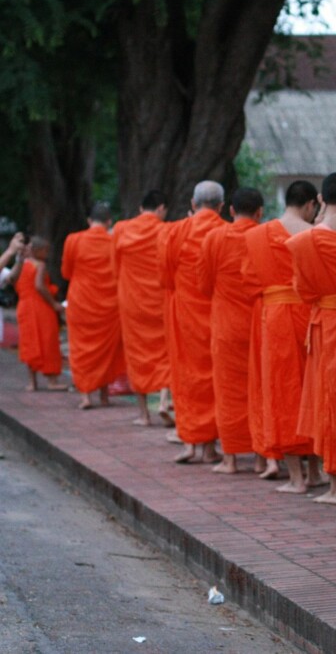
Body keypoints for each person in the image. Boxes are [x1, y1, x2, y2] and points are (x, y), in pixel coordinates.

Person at [287, 172, 336, 503]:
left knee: (329, 398)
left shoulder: (305, 240)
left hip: (325, 323)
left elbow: (302, 290)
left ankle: (335, 487)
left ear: (321, 200)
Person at [242, 180, 318, 490]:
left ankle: (296, 477)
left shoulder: (258, 235)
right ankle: (316, 472)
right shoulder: (313, 233)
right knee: (310, 389)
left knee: (282, 391)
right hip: (310, 314)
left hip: (274, 318)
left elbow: (248, 280)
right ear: (311, 204)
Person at [161, 181, 226, 463]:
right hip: (217, 313)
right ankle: (210, 447)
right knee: (214, 377)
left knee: (186, 377)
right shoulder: (225, 231)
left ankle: (189, 442)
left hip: (185, 315)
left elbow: (165, 277)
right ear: (222, 206)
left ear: (192, 203)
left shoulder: (176, 231)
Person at [198, 187, 263, 474]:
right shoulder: (264, 236)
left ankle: (231, 458)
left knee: (227, 390)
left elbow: (203, 284)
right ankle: (263, 456)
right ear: (260, 212)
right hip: (259, 322)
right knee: (258, 388)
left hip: (226, 324)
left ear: (231, 211)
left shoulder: (214, 237)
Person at [113, 191, 174, 427]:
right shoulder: (166, 230)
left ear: (141, 209)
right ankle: (163, 400)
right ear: (161, 209)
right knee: (166, 350)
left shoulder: (121, 229)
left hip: (132, 301)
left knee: (136, 354)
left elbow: (114, 266)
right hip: (159, 300)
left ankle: (143, 414)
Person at [61, 202, 126, 409]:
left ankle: (86, 396)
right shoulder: (114, 242)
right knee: (107, 351)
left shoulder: (73, 240)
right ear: (109, 222)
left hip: (81, 302)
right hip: (110, 304)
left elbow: (66, 272)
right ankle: (104, 396)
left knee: (81, 348)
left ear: (89, 221)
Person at [11, 236, 67, 391]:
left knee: (29, 341)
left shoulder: (22, 265)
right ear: (38, 251)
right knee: (47, 341)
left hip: (24, 306)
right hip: (40, 307)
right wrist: (54, 304)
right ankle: (52, 381)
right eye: (46, 251)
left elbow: (13, 281)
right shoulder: (40, 265)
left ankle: (32, 382)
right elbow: (40, 286)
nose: (47, 254)